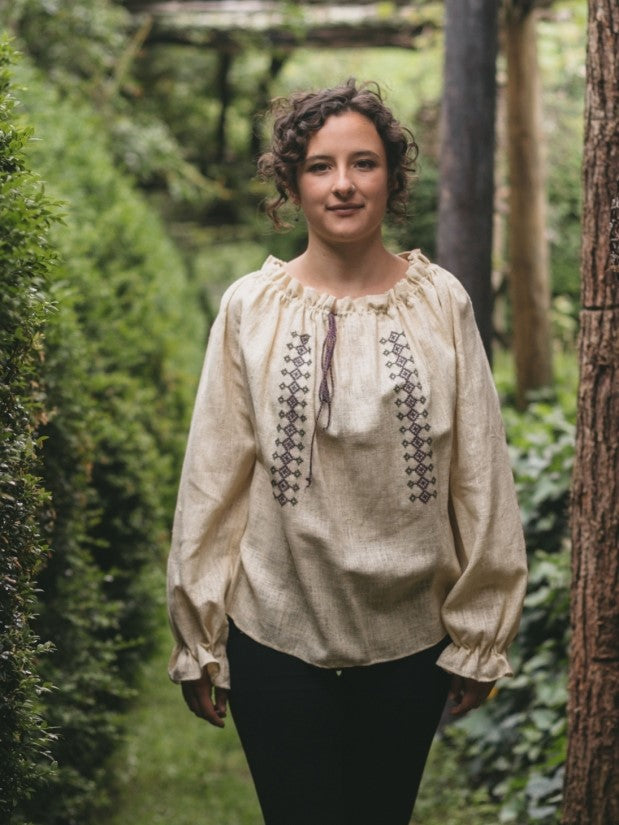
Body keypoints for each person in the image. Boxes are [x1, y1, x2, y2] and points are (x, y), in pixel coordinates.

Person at [167, 79, 527, 825]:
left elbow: (479, 475)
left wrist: (480, 629)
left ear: (392, 176)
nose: (342, 184)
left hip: (410, 639)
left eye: (362, 163)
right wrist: (200, 634)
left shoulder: (441, 303)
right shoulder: (248, 308)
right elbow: (213, 477)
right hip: (274, 633)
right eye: (320, 166)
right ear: (291, 183)